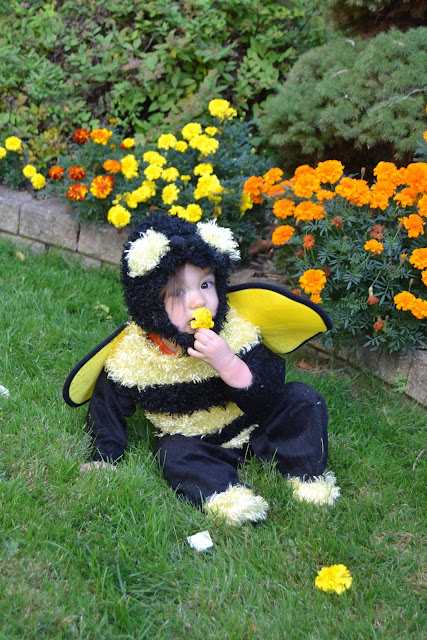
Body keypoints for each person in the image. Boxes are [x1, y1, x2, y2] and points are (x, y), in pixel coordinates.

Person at [64, 212, 339, 525]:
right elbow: (106, 407)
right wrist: (105, 454)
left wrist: (227, 363)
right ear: (150, 304)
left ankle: (306, 477)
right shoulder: (135, 356)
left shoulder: (237, 331)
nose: (198, 301)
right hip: (194, 439)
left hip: (252, 423)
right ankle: (224, 495)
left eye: (206, 284)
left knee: (303, 399)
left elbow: (269, 391)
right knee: (171, 453)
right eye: (179, 291)